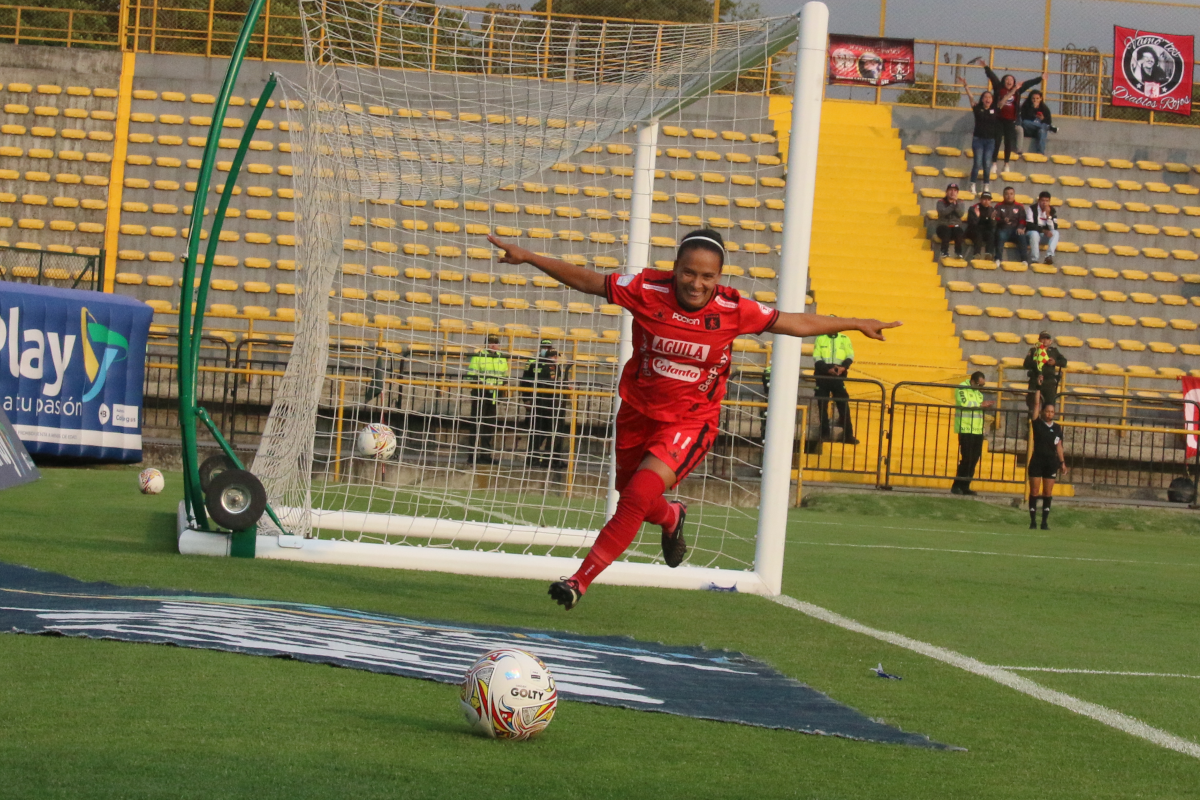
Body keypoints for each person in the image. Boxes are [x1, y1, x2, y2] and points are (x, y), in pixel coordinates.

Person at [485, 229, 901, 609]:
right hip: (636, 414)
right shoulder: (646, 289)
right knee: (640, 501)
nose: (697, 283)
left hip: (690, 422)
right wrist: (529, 256)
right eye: (689, 272)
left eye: (707, 276)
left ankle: (579, 581)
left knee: (633, 499)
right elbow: (589, 280)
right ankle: (671, 516)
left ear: (718, 277)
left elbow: (794, 321)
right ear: (676, 269)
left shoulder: (734, 309)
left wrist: (855, 323)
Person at [972, 58, 1042, 176]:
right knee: (997, 141)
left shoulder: (1017, 90)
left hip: (1010, 120)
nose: (1009, 81)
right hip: (998, 119)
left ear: (1014, 82)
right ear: (1004, 81)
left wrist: (1041, 78)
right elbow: (992, 77)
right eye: (1007, 79)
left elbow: (1029, 83)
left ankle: (1006, 164)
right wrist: (986, 67)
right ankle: (994, 163)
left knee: (1008, 142)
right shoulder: (999, 89)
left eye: (1011, 80)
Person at [522, 338, 566, 470]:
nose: (556, 359)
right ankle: (539, 458)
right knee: (540, 432)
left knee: (552, 432)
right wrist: (526, 399)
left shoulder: (556, 367)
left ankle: (550, 459)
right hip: (544, 404)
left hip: (551, 404)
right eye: (545, 348)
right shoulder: (536, 364)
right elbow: (526, 381)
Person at [957, 76, 1004, 194]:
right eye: (985, 97)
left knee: (987, 163)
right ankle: (972, 184)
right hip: (978, 139)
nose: (988, 99)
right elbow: (970, 97)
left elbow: (1005, 99)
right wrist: (965, 85)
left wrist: (1014, 89)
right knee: (977, 163)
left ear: (992, 100)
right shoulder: (977, 108)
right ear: (982, 99)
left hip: (990, 141)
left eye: (990, 97)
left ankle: (986, 186)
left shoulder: (995, 109)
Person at [813, 324, 859, 445]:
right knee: (822, 405)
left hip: (838, 375)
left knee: (843, 403)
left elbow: (850, 355)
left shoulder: (844, 338)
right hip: (823, 375)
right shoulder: (820, 338)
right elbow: (817, 357)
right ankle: (825, 433)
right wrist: (827, 369)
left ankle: (848, 434)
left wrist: (843, 367)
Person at [467, 334, 509, 465]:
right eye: (491, 342)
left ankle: (486, 455)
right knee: (476, 425)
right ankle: (472, 455)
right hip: (480, 393)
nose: (493, 345)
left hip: (493, 395)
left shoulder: (502, 358)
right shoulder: (479, 356)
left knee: (489, 426)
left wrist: (502, 390)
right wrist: (481, 385)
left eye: (496, 343)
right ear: (486, 344)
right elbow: (471, 376)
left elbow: (504, 377)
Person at [952, 371, 995, 496]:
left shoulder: (978, 393)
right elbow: (964, 403)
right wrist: (980, 405)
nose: (981, 388)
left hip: (977, 430)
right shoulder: (962, 388)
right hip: (965, 428)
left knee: (974, 459)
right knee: (967, 458)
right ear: (973, 381)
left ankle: (966, 485)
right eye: (979, 385)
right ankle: (957, 485)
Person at [1028, 402, 1067, 530]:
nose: (1049, 414)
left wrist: (1062, 463)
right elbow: (1036, 406)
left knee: (1047, 492)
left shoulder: (1057, 428)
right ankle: (1033, 521)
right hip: (1037, 461)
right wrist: (1038, 388)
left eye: (1052, 412)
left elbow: (1059, 446)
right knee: (1034, 491)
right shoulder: (1037, 423)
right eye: (1047, 411)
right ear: (1042, 412)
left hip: (1051, 462)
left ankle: (1044, 522)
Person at [1023, 331, 1067, 416]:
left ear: (1050, 341)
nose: (1045, 341)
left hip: (1049, 382)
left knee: (1049, 406)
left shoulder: (1054, 351)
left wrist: (1055, 362)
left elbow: (1064, 362)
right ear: (1039, 340)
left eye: (1047, 338)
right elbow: (1026, 364)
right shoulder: (1034, 350)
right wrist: (1038, 362)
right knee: (1033, 407)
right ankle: (1031, 426)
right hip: (1035, 381)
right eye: (1043, 338)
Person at [994, 186, 1028, 265]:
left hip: (1015, 230)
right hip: (1003, 228)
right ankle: (998, 258)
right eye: (1007, 194)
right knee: (1000, 235)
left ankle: (1024, 260)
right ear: (1003, 195)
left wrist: (1020, 227)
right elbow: (995, 218)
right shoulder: (998, 206)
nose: (1009, 196)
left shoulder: (1019, 206)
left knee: (1022, 235)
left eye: (1011, 194)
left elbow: (1022, 219)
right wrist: (1003, 221)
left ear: (1014, 195)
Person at [1025, 190, 1059, 265]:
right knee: (1034, 233)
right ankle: (1035, 259)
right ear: (1039, 201)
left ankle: (1049, 256)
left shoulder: (1052, 210)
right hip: (1031, 234)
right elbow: (1029, 225)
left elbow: (1054, 228)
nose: (1044, 203)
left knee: (1055, 233)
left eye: (1046, 201)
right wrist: (1043, 230)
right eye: (1042, 200)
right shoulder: (1032, 209)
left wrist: (1048, 216)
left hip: (1044, 235)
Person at [1019, 90, 1057, 155]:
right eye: (1033, 98)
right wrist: (1033, 109)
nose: (1035, 100)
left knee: (1042, 130)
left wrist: (1042, 119)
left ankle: (1040, 153)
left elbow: (1048, 121)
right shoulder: (1026, 107)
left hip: (1039, 131)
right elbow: (1023, 119)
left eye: (1037, 98)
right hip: (1029, 130)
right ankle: (1049, 128)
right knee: (1025, 122)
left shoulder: (1044, 108)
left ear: (1041, 99)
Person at [935, 183, 966, 261]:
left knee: (959, 231)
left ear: (957, 193)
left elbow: (960, 214)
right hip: (943, 226)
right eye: (950, 190)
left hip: (955, 227)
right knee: (946, 231)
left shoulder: (960, 202)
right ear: (946, 192)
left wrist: (956, 204)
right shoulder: (941, 202)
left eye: (955, 191)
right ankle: (944, 252)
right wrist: (952, 205)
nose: (953, 192)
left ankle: (958, 253)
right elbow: (943, 213)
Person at [966, 191, 997, 259]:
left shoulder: (992, 210)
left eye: (988, 200)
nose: (986, 201)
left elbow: (993, 226)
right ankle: (976, 254)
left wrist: (992, 219)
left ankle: (989, 253)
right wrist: (977, 217)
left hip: (985, 230)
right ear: (980, 200)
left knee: (991, 234)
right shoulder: (973, 208)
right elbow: (972, 224)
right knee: (978, 233)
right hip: (973, 230)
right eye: (984, 199)